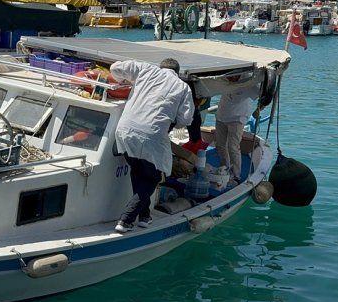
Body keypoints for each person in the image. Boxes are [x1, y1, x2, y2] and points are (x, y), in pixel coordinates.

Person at [110, 58, 195, 233]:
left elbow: (115, 67)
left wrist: (125, 81)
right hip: (152, 134)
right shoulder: (182, 87)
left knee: (138, 171)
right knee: (153, 177)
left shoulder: (146, 69)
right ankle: (126, 219)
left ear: (160, 67)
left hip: (125, 130)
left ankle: (145, 216)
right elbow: (185, 119)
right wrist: (174, 121)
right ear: (177, 72)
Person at [214, 81, 262, 185]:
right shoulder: (225, 77)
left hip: (237, 118)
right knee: (220, 145)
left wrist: (259, 109)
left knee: (233, 147)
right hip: (221, 116)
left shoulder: (250, 82)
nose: (231, 77)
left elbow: (266, 95)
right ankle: (224, 169)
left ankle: (236, 175)